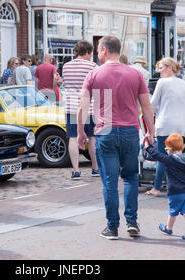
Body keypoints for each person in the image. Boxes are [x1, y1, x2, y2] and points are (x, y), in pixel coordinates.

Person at [77, 36, 155, 240]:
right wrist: (150, 131)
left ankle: (112, 227)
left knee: (110, 182)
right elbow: (146, 105)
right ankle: (132, 222)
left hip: (105, 131)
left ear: (103, 50)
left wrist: (80, 132)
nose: (97, 53)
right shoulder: (134, 74)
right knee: (130, 177)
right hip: (130, 130)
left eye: (98, 50)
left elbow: (83, 106)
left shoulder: (93, 74)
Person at [145, 57, 185, 197]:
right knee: (177, 156)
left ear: (169, 67)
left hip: (165, 123)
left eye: (161, 68)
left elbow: (152, 105)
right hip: (181, 125)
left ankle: (157, 188)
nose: (158, 71)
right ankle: (180, 185)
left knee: (163, 157)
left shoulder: (162, 83)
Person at [143, 133, 185, 240]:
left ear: (169, 149)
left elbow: (157, 155)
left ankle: (168, 228)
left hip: (176, 192)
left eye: (166, 149)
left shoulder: (170, 159)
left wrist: (147, 147)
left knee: (173, 212)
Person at [62, 40, 98, 180]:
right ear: (88, 52)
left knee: (72, 137)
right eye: (90, 54)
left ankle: (76, 171)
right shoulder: (93, 66)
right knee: (92, 137)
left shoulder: (66, 66)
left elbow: (65, 84)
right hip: (89, 106)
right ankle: (95, 168)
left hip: (71, 106)